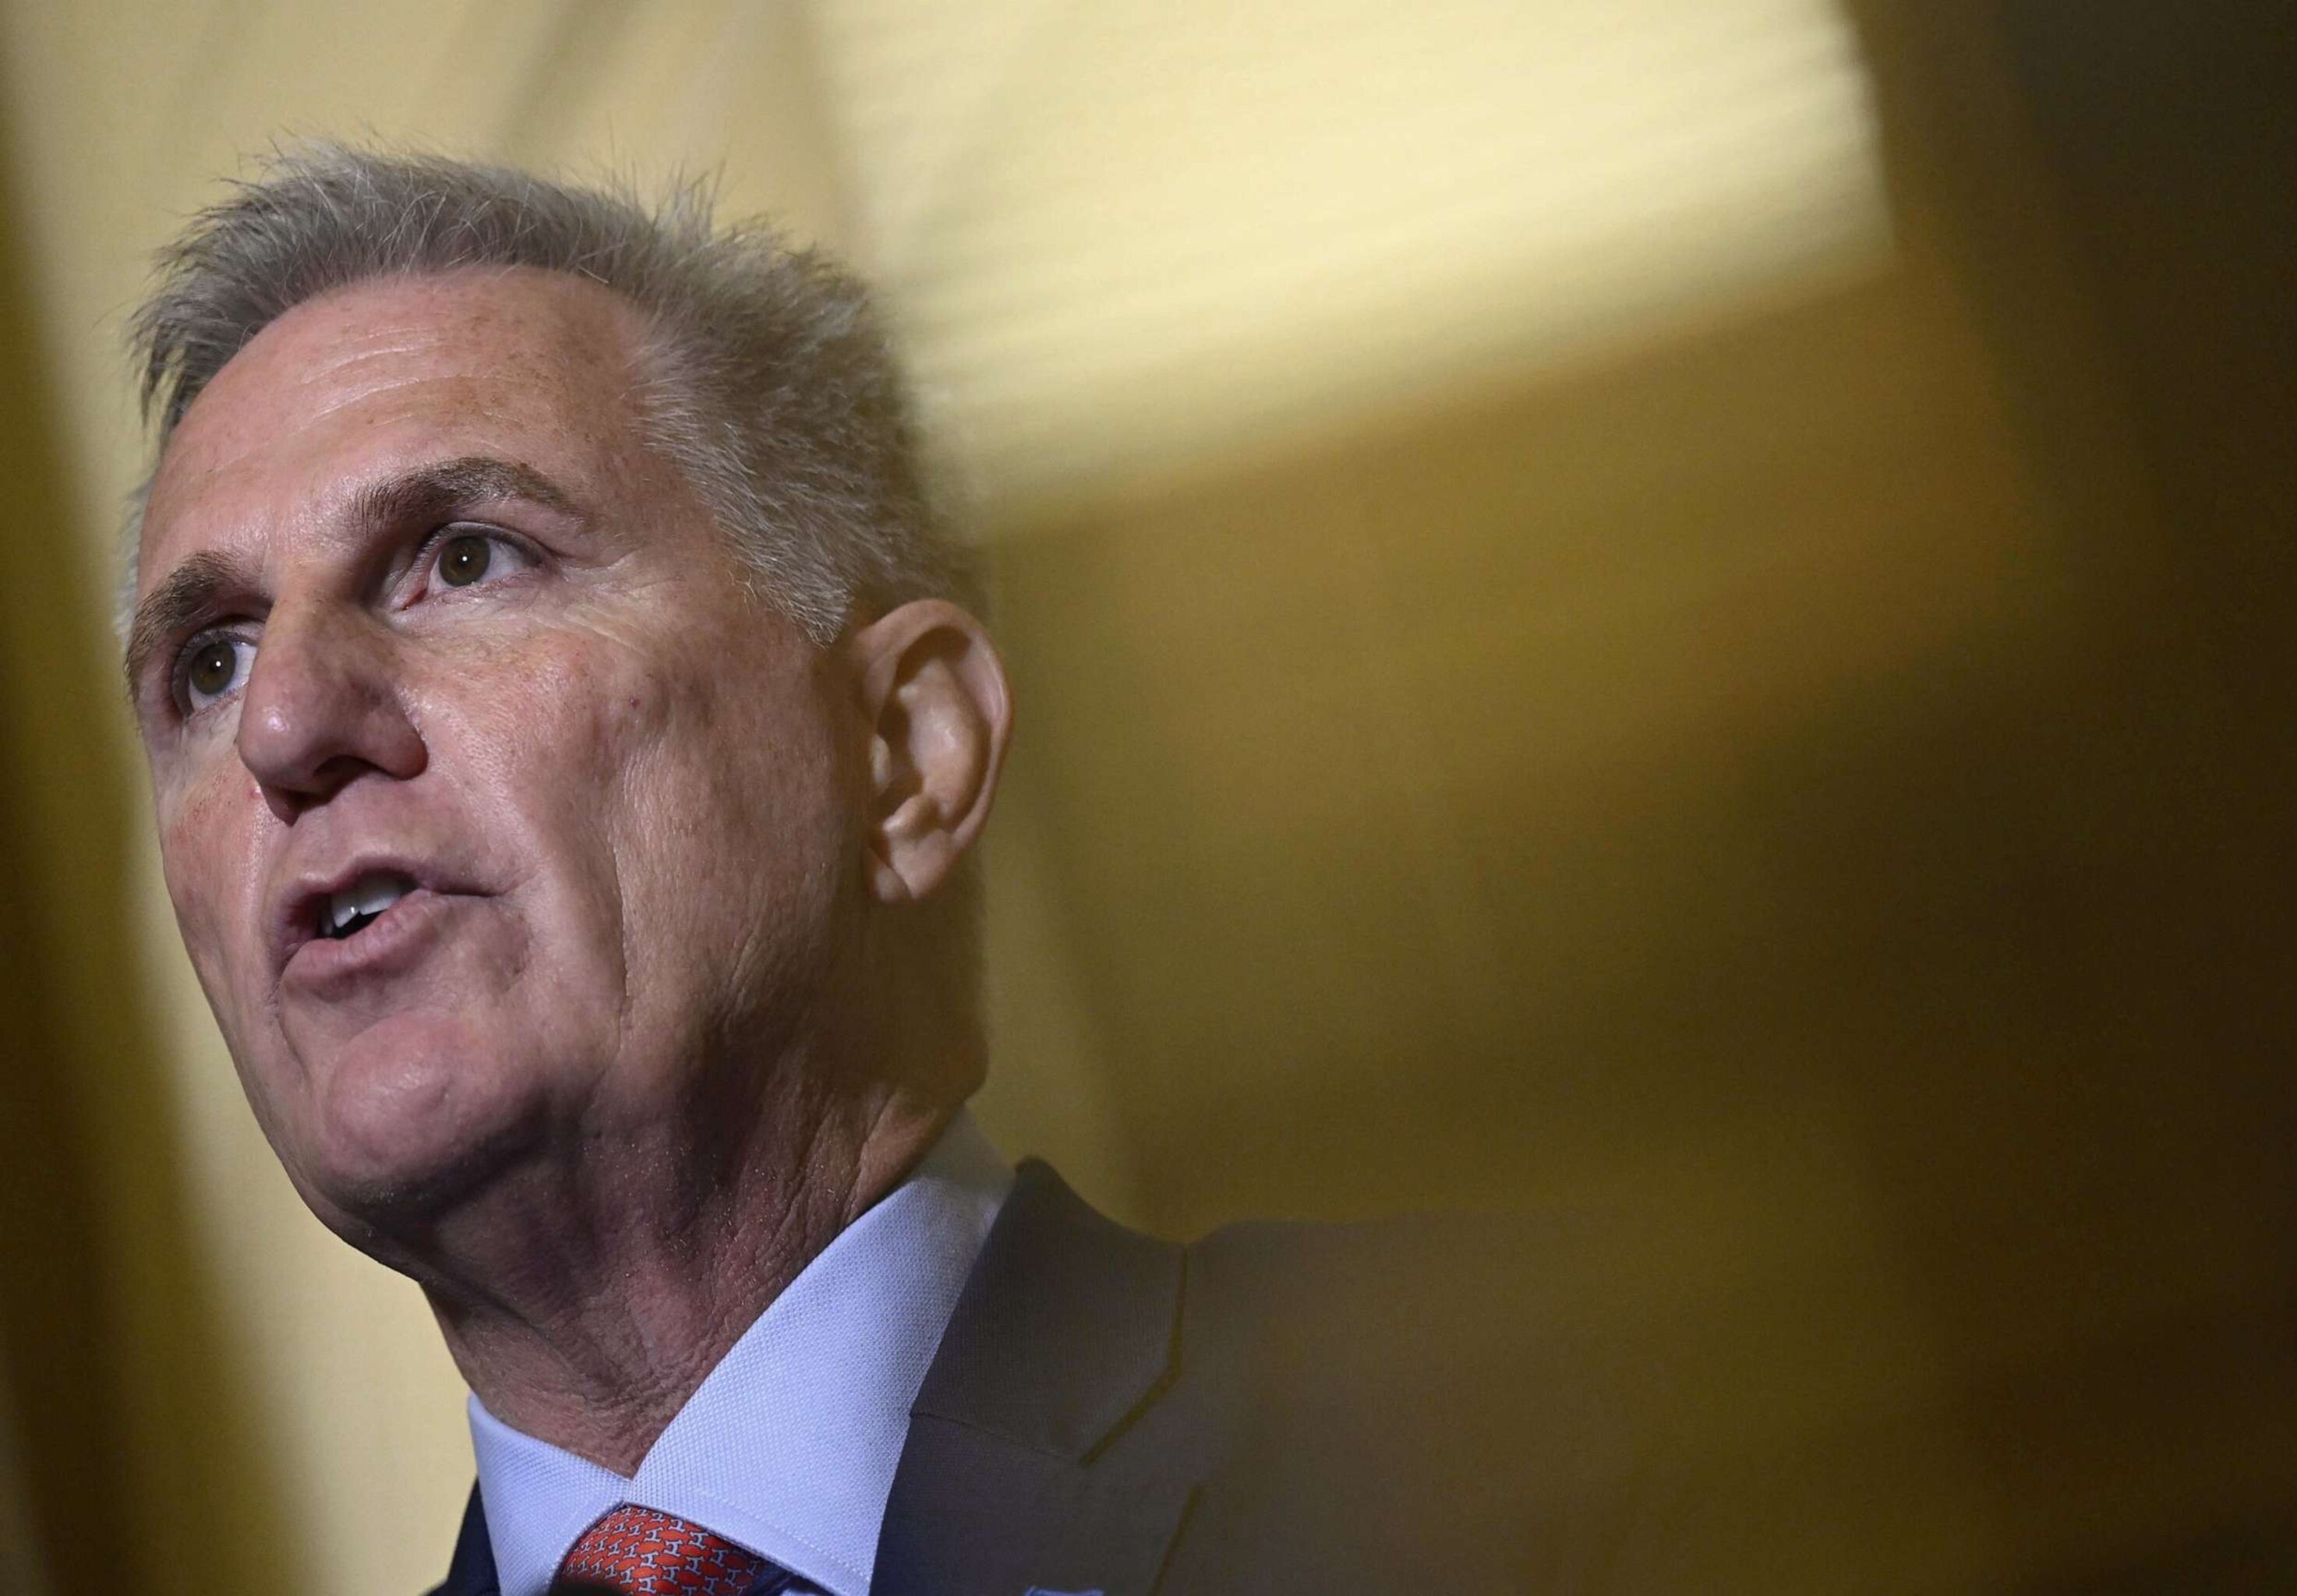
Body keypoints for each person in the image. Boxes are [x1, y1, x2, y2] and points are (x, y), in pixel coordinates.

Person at [121, 146, 1640, 1596]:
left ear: (907, 753)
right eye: (209, 660)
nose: (284, 722)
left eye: (463, 557)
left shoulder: (1530, 1423)